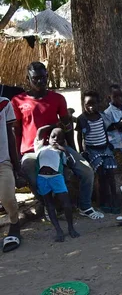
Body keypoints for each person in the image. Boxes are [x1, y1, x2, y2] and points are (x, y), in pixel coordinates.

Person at [12, 62, 75, 216]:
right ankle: (49, 206)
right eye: (35, 79)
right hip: (30, 151)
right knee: (34, 179)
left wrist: (72, 148)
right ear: (28, 79)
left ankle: (85, 205)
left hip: (55, 148)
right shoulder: (17, 101)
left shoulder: (58, 98)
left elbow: (67, 126)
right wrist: (17, 157)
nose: (40, 82)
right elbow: (16, 131)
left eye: (43, 78)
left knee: (86, 172)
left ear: (47, 77)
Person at [76, 91, 118, 213]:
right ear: (83, 104)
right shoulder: (82, 119)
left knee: (110, 173)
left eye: (93, 104)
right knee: (101, 175)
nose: (91, 107)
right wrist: (81, 149)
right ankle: (103, 201)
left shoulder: (101, 116)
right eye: (87, 104)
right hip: (92, 150)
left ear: (98, 104)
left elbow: (104, 130)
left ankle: (114, 199)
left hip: (104, 147)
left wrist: (108, 142)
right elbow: (80, 135)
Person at [34, 126, 79, 242]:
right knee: (49, 205)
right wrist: (53, 123)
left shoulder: (61, 151)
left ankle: (71, 227)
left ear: (62, 141)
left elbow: (70, 163)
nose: (55, 140)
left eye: (59, 138)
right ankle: (58, 230)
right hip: (42, 179)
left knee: (66, 204)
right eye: (53, 136)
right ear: (48, 138)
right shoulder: (40, 147)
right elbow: (39, 132)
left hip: (57, 178)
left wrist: (64, 149)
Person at [0, 97, 21, 252]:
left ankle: (14, 224)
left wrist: (16, 164)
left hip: (3, 161)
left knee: (7, 198)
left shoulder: (4, 103)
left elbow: (10, 134)